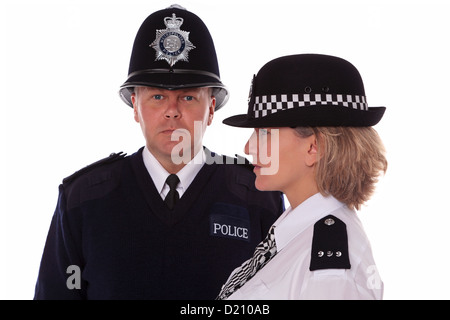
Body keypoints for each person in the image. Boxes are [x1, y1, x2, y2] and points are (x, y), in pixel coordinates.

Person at [33, 5, 283, 300]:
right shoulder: (83, 200)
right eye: (157, 97)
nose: (171, 112)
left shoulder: (258, 196)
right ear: (135, 106)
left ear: (212, 108)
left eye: (188, 97)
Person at [217, 54, 387, 300]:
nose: (248, 147)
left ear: (313, 148)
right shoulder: (294, 235)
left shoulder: (330, 269)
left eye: (264, 132)